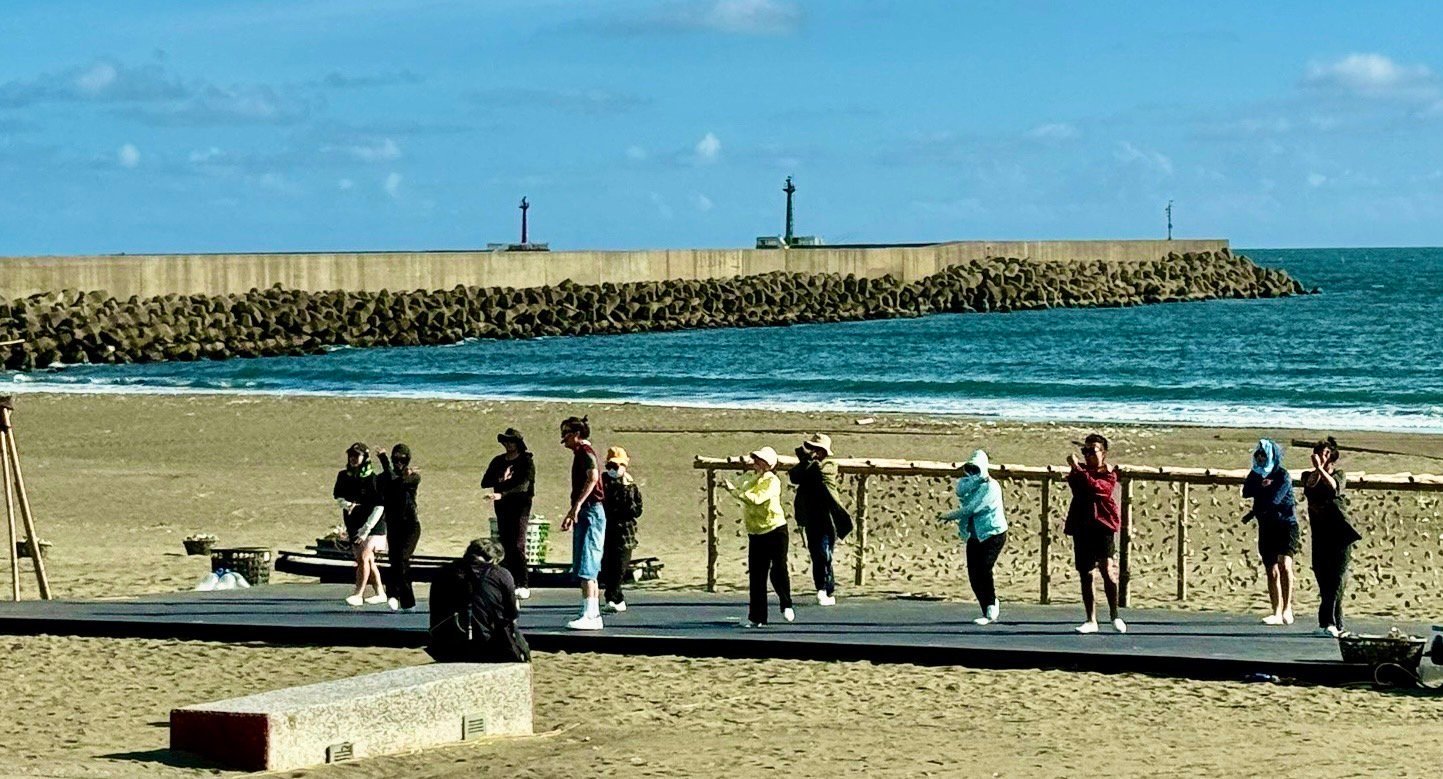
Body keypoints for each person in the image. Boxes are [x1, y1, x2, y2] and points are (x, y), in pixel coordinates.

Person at [722, 446, 795, 628]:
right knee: (757, 576)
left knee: (778, 570)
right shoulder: (749, 477)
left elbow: (756, 499)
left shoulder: (773, 481)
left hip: (775, 530)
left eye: (760, 460)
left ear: (768, 464)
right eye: (755, 459)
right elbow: (740, 485)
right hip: (755, 533)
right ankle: (757, 617)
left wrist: (734, 491)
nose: (756, 463)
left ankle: (786, 603)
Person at [426, 538, 530, 663]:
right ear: (494, 559)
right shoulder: (501, 574)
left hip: (447, 645)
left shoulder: (443, 573)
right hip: (489, 645)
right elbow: (512, 614)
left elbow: (434, 611)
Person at [937, 449, 1008, 625]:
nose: (972, 473)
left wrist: (948, 516)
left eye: (975, 469)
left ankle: (991, 605)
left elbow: (971, 509)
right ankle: (986, 609)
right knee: (974, 575)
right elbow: (960, 492)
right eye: (969, 469)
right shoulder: (972, 486)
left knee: (984, 569)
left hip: (993, 533)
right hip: (975, 535)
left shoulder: (991, 487)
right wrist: (967, 482)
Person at [1065, 433, 1125, 634]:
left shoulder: (1109, 473)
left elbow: (1098, 489)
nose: (1088, 454)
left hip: (1102, 525)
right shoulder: (1079, 472)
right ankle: (1091, 619)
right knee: (1086, 573)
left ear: (1104, 453)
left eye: (1093, 450)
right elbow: (1078, 487)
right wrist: (1078, 470)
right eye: (1085, 450)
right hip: (1082, 525)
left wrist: (1077, 468)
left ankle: (1114, 615)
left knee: (1107, 570)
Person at [1301, 436, 1361, 637]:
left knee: (1337, 580)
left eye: (1326, 453)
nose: (1321, 456)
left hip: (1340, 533)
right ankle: (1331, 623)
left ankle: (1330, 623)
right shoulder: (1308, 475)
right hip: (1320, 535)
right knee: (1323, 577)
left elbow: (1334, 487)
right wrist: (1317, 470)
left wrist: (1321, 469)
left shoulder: (1340, 475)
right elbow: (1310, 485)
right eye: (1319, 452)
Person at [788, 433, 851, 606]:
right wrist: (805, 461)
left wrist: (806, 460)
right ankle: (824, 589)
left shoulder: (829, 465)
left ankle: (825, 589)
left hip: (829, 517)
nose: (814, 452)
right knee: (817, 554)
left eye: (817, 449)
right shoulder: (807, 466)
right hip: (811, 516)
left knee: (825, 554)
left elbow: (820, 474)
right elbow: (794, 477)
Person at [1242, 438, 1298, 625]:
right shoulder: (1255, 474)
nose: (1260, 458)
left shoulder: (1282, 475)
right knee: (1271, 570)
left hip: (1286, 524)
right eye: (1258, 454)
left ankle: (1287, 608)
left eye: (1264, 454)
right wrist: (1261, 485)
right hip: (1266, 526)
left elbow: (1275, 499)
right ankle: (1276, 612)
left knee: (1284, 564)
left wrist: (1267, 488)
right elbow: (1246, 491)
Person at [560, 416, 607, 630]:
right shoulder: (581, 453)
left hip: (591, 510)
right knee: (584, 563)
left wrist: (577, 505)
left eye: (566, 433)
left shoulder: (586, 453)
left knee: (588, 562)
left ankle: (591, 614)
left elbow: (593, 477)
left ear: (577, 434)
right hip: (588, 511)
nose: (564, 439)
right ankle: (591, 611)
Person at [481, 428, 536, 600]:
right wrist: (500, 480)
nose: (508, 445)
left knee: (518, 544)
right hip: (502, 508)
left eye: (511, 441)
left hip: (520, 507)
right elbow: (485, 481)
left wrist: (503, 493)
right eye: (506, 441)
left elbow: (524, 485)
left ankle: (523, 583)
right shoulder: (498, 461)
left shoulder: (526, 461)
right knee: (505, 544)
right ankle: (507, 582)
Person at [332, 442, 388, 608]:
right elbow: (338, 497)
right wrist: (347, 504)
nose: (353, 458)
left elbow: (380, 506)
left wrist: (367, 528)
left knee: (364, 557)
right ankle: (380, 592)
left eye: (357, 455)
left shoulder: (373, 479)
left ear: (365, 457)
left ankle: (358, 594)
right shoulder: (343, 476)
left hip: (374, 525)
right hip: (354, 524)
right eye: (351, 455)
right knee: (366, 560)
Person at [377, 443, 421, 612]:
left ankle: (402, 598)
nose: (399, 462)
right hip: (393, 525)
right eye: (396, 459)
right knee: (395, 562)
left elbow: (399, 483)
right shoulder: (384, 478)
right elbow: (388, 481)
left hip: (411, 526)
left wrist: (383, 460)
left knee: (402, 559)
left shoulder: (413, 477)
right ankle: (397, 597)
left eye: (403, 459)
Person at [599, 446, 644, 613]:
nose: (613, 470)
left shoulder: (631, 486)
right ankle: (613, 597)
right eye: (610, 466)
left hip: (625, 533)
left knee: (619, 566)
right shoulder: (603, 483)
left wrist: (626, 490)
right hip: (606, 530)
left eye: (616, 466)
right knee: (607, 566)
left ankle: (615, 597)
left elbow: (636, 510)